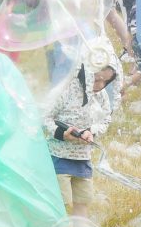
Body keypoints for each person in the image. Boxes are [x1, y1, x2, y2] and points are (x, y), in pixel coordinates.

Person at [47, 62, 115, 218]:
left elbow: (105, 119)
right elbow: (45, 118)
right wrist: (61, 133)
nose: (100, 85)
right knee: (60, 204)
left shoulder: (100, 95)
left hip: (83, 159)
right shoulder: (66, 90)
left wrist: (91, 131)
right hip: (59, 157)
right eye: (97, 79)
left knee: (82, 201)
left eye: (106, 81)